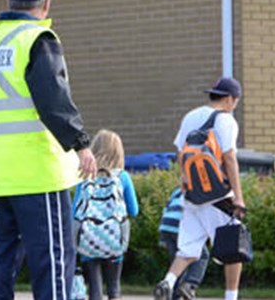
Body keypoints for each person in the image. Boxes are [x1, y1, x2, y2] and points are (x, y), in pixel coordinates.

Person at [0, 0, 97, 300]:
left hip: (4, 176)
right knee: (52, 261)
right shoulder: (38, 40)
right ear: (47, 2)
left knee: (2, 262)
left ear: (9, 0)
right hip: (40, 173)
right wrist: (81, 144)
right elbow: (53, 98)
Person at [154, 77, 246, 300]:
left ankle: (169, 281)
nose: (234, 106)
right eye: (235, 101)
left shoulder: (190, 117)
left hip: (192, 195)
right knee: (234, 247)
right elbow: (229, 158)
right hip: (218, 194)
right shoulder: (225, 120)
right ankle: (231, 297)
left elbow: (180, 153)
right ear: (229, 99)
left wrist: (187, 184)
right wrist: (239, 198)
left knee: (187, 249)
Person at [72, 129, 139, 300]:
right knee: (113, 287)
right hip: (114, 241)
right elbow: (134, 210)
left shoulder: (85, 176)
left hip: (88, 240)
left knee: (94, 287)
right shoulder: (122, 177)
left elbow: (75, 211)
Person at [158, 187, 209, 300]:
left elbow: (166, 209)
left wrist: (162, 237)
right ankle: (190, 284)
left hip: (167, 227)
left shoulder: (177, 190)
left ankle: (169, 293)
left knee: (177, 264)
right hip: (181, 226)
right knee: (203, 255)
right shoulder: (200, 190)